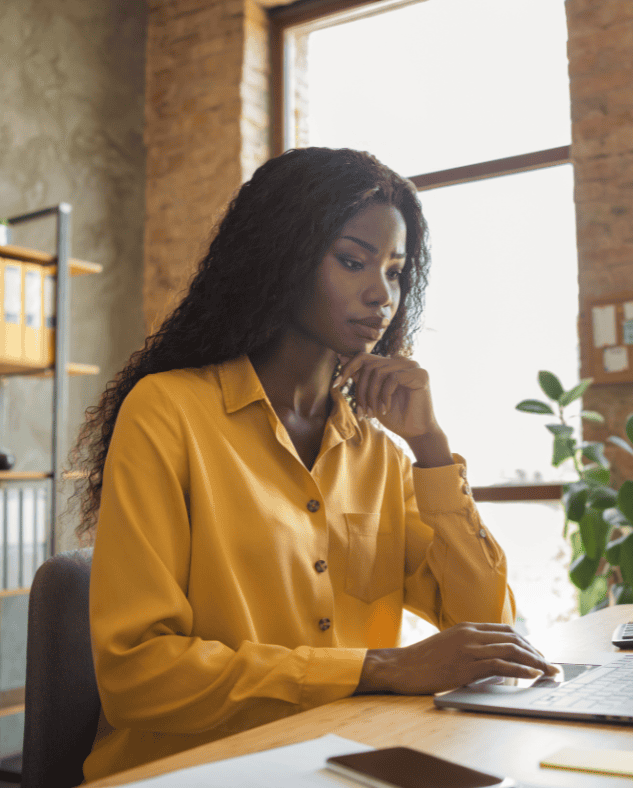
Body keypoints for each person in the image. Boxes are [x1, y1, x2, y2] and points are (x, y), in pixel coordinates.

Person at [68, 147, 557, 782]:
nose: (381, 293)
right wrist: (378, 670)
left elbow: (485, 627)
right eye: (353, 262)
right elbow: (139, 675)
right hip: (190, 772)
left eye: (396, 271)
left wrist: (432, 449)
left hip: (337, 762)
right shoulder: (168, 412)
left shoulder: (378, 450)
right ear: (281, 258)